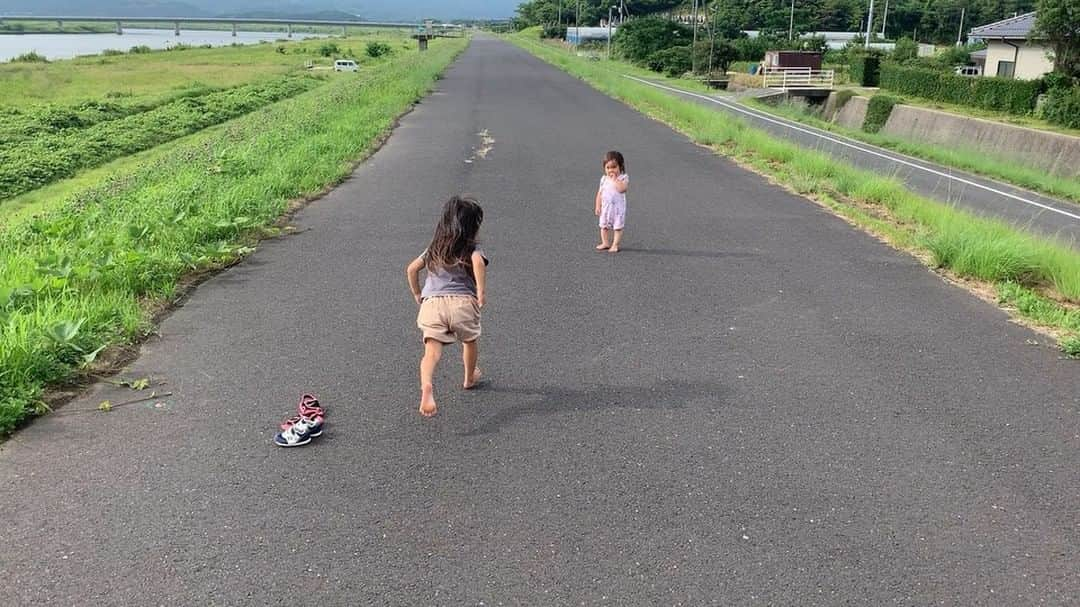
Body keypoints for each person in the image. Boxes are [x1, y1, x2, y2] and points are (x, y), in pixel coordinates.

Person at [405, 195, 488, 418]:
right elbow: (478, 262)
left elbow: (412, 269)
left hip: (433, 304)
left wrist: (417, 293)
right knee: (469, 341)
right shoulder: (472, 247)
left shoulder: (435, 247)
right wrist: (480, 291)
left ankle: (427, 385)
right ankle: (469, 378)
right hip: (462, 304)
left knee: (431, 352)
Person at [594, 150, 629, 253]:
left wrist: (615, 180)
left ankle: (615, 244)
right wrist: (597, 206)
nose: (610, 170)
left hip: (617, 209)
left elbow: (622, 189)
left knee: (617, 227)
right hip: (606, 208)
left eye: (614, 167)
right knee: (603, 226)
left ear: (620, 167)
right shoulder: (604, 179)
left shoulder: (623, 178)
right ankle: (605, 242)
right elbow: (599, 193)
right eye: (608, 168)